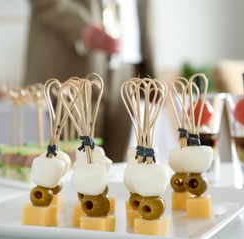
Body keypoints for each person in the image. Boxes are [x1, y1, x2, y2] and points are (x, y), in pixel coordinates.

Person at [24, 0, 154, 162]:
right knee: (69, 165)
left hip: (128, 66)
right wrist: (81, 27)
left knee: (116, 166)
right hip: (74, 66)